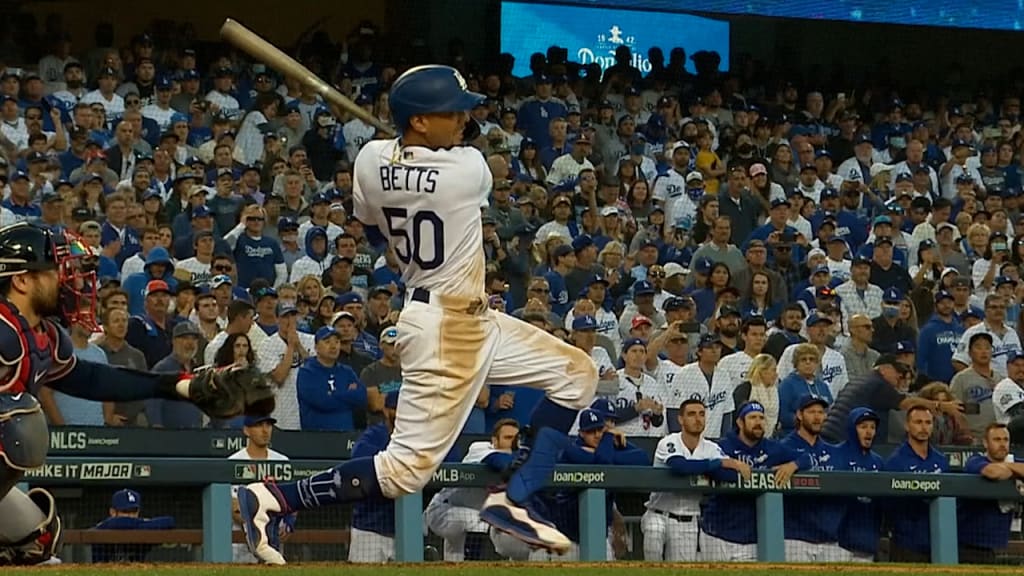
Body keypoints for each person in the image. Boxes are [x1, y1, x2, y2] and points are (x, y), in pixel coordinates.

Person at [237, 66, 598, 563]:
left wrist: (399, 155)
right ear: (421, 121)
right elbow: (456, 152)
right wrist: (411, 155)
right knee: (405, 471)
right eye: (452, 110)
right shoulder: (469, 170)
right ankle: (274, 498)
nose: (464, 117)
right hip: (445, 329)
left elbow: (370, 217)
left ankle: (513, 499)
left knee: (578, 373)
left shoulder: (368, 159)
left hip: (474, 318)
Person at [0, 222, 266, 565]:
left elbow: (94, 379)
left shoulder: (43, 335)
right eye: (54, 270)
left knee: (37, 538)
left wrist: (176, 386)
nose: (70, 280)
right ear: (21, 280)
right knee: (19, 423)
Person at [642, 398, 750, 561]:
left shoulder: (711, 448)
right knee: (654, 533)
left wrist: (710, 467)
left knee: (681, 571)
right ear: (680, 419)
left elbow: (730, 475)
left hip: (687, 519)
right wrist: (716, 464)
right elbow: (681, 466)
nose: (698, 419)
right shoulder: (669, 441)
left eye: (701, 414)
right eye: (691, 414)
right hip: (658, 513)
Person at [700, 402, 810, 561]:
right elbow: (710, 468)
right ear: (740, 422)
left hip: (752, 538)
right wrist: (735, 467)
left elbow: (806, 458)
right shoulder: (723, 446)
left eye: (761, 418)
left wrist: (792, 465)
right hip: (717, 533)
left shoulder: (772, 448)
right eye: (752, 418)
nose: (758, 422)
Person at [425, 419, 526, 562]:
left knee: (455, 555)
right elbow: (500, 462)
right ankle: (472, 565)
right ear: (494, 441)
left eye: (516, 439)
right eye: (507, 438)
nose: (512, 443)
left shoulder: (521, 456)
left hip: (468, 514)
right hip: (444, 510)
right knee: (476, 520)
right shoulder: (480, 448)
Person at [823, 354, 963, 443]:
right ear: (884, 369)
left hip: (831, 434)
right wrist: (942, 406)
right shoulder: (878, 383)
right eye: (898, 371)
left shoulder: (863, 380)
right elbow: (907, 403)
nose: (900, 377)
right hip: (842, 439)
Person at [780, 396, 845, 562]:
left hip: (829, 539)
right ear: (800, 415)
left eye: (821, 412)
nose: (817, 417)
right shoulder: (783, 448)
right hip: (795, 539)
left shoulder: (834, 451)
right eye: (811, 412)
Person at [884, 406, 950, 562]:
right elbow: (888, 504)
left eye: (928, 422)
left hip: (937, 542)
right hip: (906, 543)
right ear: (907, 426)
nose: (923, 427)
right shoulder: (896, 462)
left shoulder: (940, 460)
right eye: (918, 422)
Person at [227, 415, 292, 564]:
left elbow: (291, 500)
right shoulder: (234, 462)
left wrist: (288, 522)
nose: (265, 431)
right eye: (258, 425)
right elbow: (234, 507)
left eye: (268, 425)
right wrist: (263, 527)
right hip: (241, 544)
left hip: (274, 542)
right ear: (246, 430)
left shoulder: (282, 462)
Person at [958, 423, 1024, 564]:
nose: (1002, 444)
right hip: (970, 546)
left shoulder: (1012, 460)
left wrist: (1007, 467)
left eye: (1005, 440)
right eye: (997, 440)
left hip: (999, 545)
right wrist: (1013, 470)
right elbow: (993, 472)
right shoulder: (975, 461)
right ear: (985, 443)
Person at [835, 408, 884, 562]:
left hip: (867, 542)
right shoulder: (837, 455)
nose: (869, 432)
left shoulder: (878, 462)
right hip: (839, 544)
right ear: (851, 428)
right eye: (863, 427)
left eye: (872, 427)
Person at [296, 326, 367, 432]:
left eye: (337, 342)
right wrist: (348, 396)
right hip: (317, 438)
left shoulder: (347, 371)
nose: (333, 346)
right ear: (316, 347)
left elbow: (361, 397)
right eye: (327, 342)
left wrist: (333, 394)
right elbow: (322, 402)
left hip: (345, 436)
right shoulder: (307, 373)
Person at [91, 489, 174, 563]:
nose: (130, 516)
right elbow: (117, 523)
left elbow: (169, 521)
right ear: (112, 512)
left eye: (133, 511)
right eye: (125, 511)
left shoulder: (141, 528)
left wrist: (139, 525)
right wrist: (143, 523)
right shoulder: (105, 526)